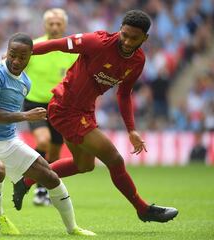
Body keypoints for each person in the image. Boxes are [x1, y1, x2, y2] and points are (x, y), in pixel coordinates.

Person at [13, 10, 179, 223]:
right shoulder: (97, 42)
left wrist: (132, 130)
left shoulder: (137, 61)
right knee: (115, 160)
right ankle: (143, 209)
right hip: (65, 108)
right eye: (124, 35)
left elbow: (124, 94)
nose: (127, 41)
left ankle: (25, 181)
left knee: (84, 165)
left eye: (134, 38)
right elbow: (56, 44)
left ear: (145, 38)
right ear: (119, 30)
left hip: (85, 111)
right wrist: (17, 55)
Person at [0, 33, 94, 236]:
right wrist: (25, 116)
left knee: (50, 177)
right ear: (6, 52)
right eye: (12, 54)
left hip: (8, 140)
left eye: (22, 57)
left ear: (31, 56)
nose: (16, 60)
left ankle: (73, 228)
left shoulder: (25, 83)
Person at [24, 8, 78, 206]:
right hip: (34, 102)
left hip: (60, 106)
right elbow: (16, 69)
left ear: (64, 25)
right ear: (44, 25)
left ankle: (41, 188)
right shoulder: (34, 47)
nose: (54, 27)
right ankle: (30, 176)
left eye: (58, 24)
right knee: (44, 142)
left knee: (55, 153)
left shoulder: (72, 50)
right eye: (51, 24)